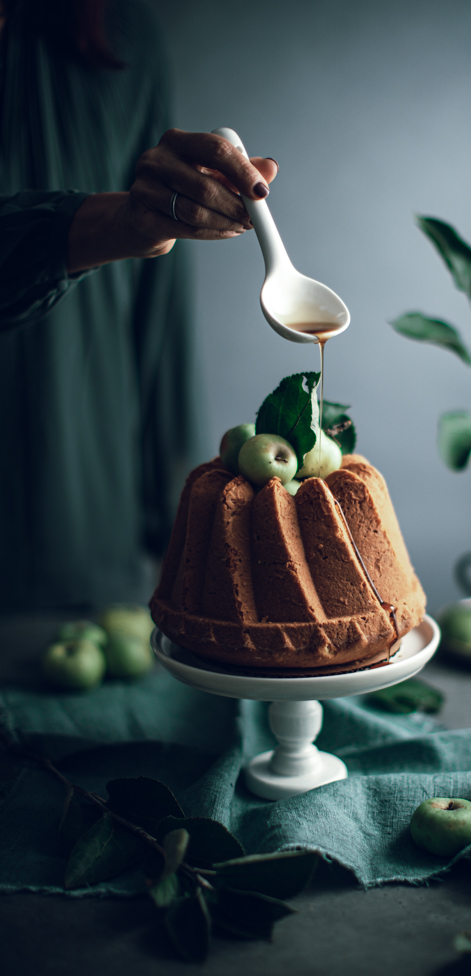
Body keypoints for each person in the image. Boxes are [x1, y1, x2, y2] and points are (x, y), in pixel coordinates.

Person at [0, 0, 277, 610]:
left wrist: (180, 531)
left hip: (88, 538)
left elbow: (158, 316)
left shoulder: (119, 38)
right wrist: (105, 224)